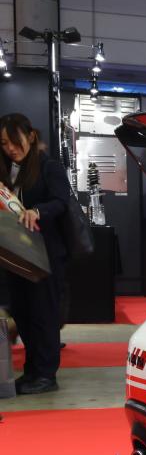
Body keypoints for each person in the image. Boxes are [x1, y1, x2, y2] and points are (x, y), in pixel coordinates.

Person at [0, 114, 72, 394]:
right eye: (4, 143)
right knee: (23, 313)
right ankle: (32, 371)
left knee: (44, 314)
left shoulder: (48, 166)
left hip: (46, 254)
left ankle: (46, 375)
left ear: (30, 136)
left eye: (14, 141)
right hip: (16, 254)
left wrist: (37, 211)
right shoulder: (7, 169)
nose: (10, 148)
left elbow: (61, 201)